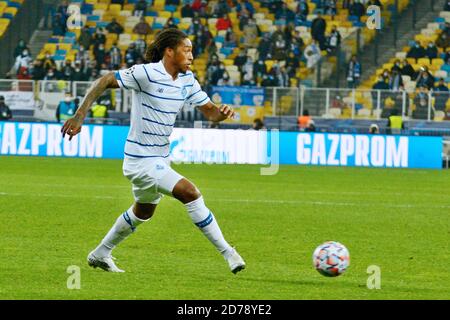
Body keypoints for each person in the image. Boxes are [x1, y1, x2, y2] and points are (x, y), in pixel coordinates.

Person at [61, 28, 246, 274]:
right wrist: (79, 115)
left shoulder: (187, 80)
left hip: (160, 157)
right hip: (139, 159)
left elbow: (210, 112)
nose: (192, 55)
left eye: (192, 50)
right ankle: (228, 253)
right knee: (190, 193)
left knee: (144, 211)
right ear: (170, 51)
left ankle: (100, 253)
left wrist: (221, 114)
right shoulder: (145, 73)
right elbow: (104, 80)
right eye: (187, 50)